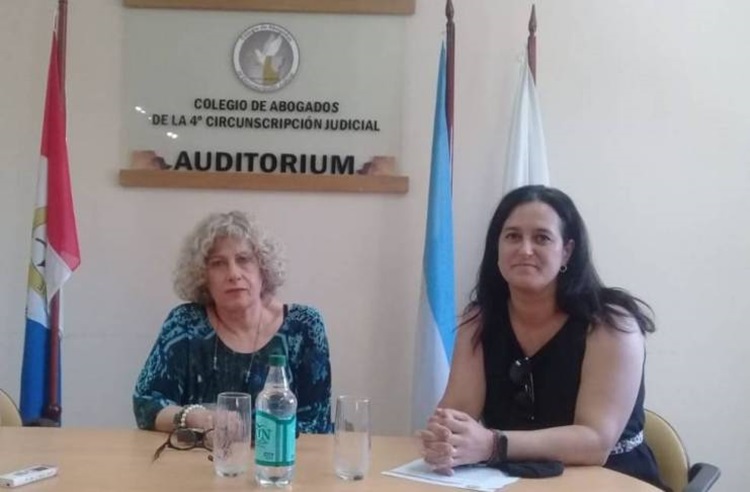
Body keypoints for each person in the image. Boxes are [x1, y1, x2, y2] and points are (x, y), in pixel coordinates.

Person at [419, 185, 664, 489]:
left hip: (613, 480)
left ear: (567, 251)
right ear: (497, 249)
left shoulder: (611, 325)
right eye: (512, 237)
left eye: (541, 238)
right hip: (513, 481)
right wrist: (444, 439)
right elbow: (454, 416)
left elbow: (595, 442)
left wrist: (493, 444)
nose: (525, 250)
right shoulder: (478, 322)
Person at [133, 211, 332, 434]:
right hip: (199, 454)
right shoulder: (185, 324)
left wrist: (243, 430)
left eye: (243, 259)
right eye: (218, 263)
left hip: (279, 455)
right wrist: (198, 417)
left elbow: (316, 424)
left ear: (263, 268)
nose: (233, 274)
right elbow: (146, 404)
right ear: (203, 276)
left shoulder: (304, 326)